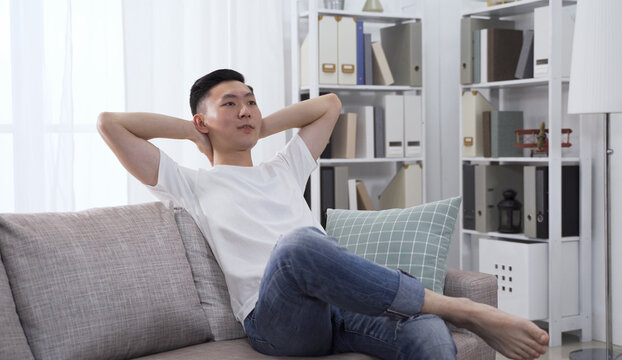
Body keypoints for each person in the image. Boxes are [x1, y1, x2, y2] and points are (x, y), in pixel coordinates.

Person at [98, 69, 549, 360]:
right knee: (298, 245)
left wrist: (253, 125)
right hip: (277, 322)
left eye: (251, 101)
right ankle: (462, 308)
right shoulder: (190, 184)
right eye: (230, 104)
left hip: (341, 307)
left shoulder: (284, 169)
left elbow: (329, 104)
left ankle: (437, 311)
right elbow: (110, 123)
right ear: (202, 120)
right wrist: (198, 134)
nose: (246, 110)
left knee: (424, 328)